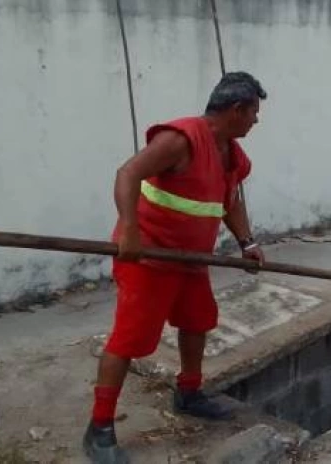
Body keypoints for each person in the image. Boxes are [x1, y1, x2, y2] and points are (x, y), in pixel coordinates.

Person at [84, 72, 268, 463]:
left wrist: (246, 242)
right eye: (254, 112)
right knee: (130, 339)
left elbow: (229, 200)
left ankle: (188, 393)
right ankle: (99, 429)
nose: (257, 120)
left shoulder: (231, 153)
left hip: (191, 260)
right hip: (148, 257)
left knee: (198, 320)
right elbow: (127, 173)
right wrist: (129, 230)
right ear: (237, 109)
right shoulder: (182, 138)